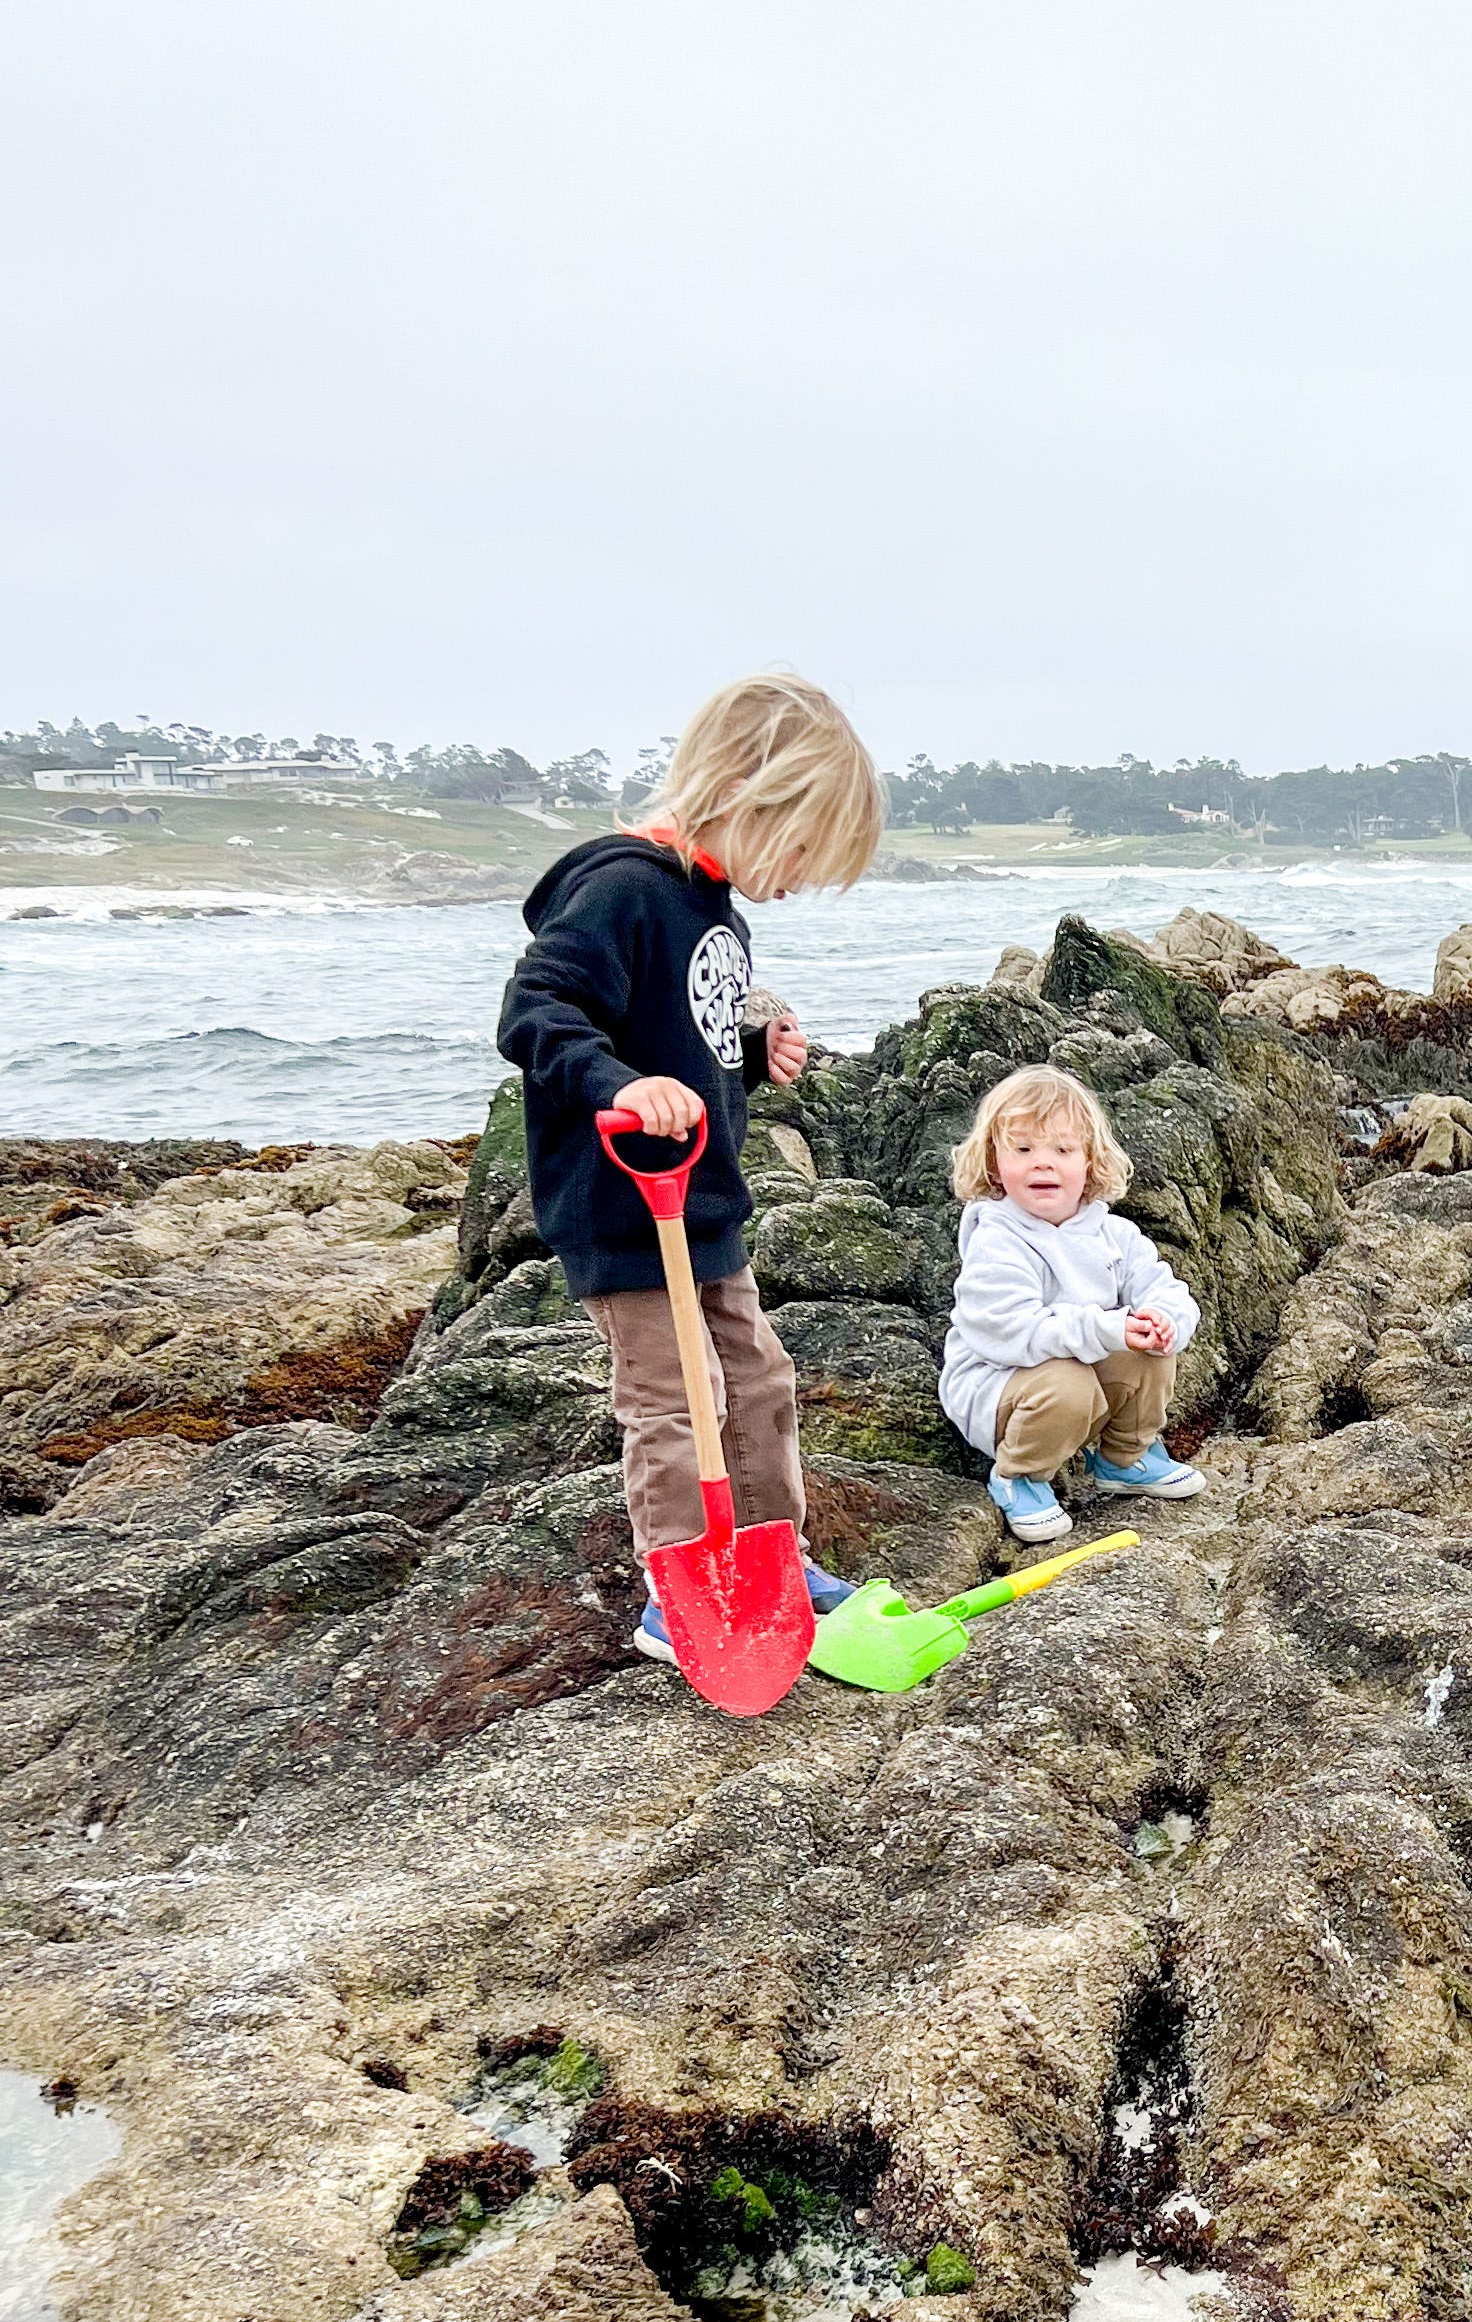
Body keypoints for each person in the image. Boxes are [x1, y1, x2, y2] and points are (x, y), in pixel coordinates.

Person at [498, 670, 883, 1662]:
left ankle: (770, 1554)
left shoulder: (716, 908)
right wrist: (616, 1087)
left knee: (757, 1382)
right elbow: (537, 1010)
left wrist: (752, 1059)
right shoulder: (621, 890)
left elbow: (687, 1041)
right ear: (754, 798)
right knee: (678, 1401)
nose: (800, 878)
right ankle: (681, 1585)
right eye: (803, 850)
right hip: (626, 1209)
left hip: (703, 1203)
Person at [938, 1066, 1205, 1543]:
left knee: (1149, 1349)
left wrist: (1164, 1321)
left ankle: (1124, 1458)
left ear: (1090, 1162)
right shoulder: (997, 1238)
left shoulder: (1114, 1234)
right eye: (1023, 1150)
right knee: (1069, 1381)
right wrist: (1107, 1328)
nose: (1043, 1164)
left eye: (1062, 1150)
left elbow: (1166, 1289)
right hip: (998, 1388)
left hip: (1077, 1379)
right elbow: (1011, 1331)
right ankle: (1018, 1474)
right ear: (995, 1163)